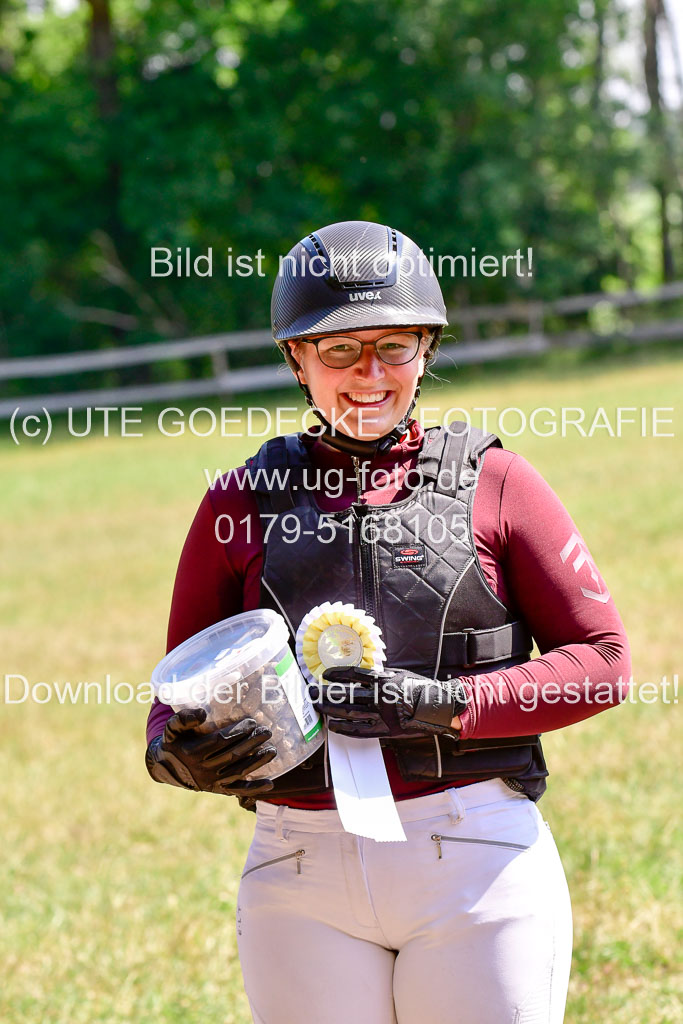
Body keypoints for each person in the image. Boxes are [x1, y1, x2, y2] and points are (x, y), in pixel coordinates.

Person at [145, 220, 630, 1024]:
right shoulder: (236, 503)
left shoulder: (499, 483)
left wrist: (443, 704)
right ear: (295, 358)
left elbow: (603, 661)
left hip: (475, 859)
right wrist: (174, 756)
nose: (368, 374)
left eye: (393, 346)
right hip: (298, 871)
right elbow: (172, 702)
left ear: (425, 348)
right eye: (338, 349)